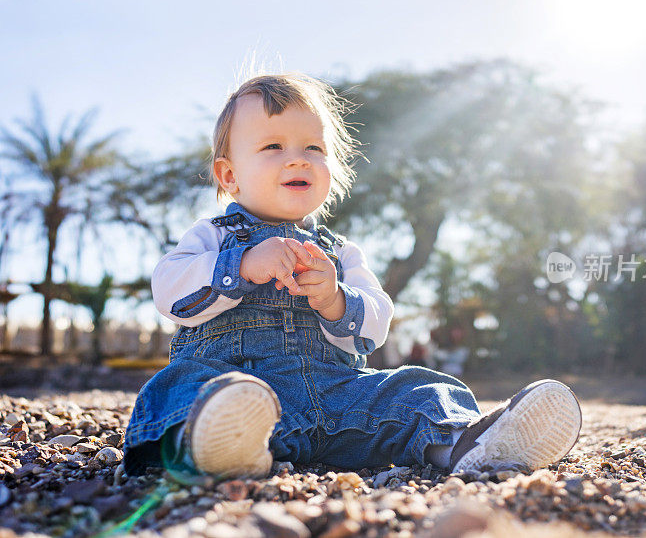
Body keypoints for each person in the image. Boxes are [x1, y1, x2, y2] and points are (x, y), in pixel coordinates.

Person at [122, 73, 583, 479]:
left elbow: (378, 321)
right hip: (238, 385)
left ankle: (464, 445)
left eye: (313, 148)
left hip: (338, 402)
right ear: (229, 175)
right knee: (182, 388)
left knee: (417, 389)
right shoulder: (213, 236)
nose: (298, 159)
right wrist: (240, 267)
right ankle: (223, 447)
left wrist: (337, 300)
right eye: (272, 147)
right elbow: (168, 290)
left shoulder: (340, 252)